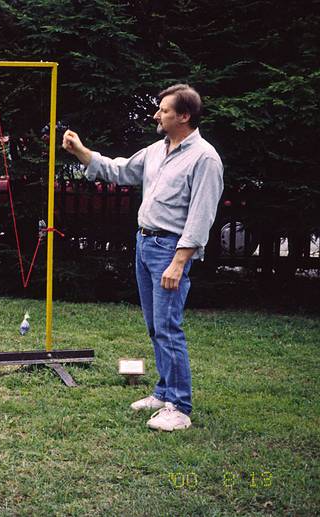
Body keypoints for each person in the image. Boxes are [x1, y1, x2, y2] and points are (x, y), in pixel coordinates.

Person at [61, 84, 223, 431]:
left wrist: (179, 261)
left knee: (168, 327)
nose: (156, 115)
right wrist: (81, 152)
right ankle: (164, 392)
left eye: (164, 110)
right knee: (155, 326)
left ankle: (179, 407)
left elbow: (201, 215)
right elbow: (120, 170)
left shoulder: (205, 158)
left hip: (170, 250)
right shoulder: (156, 151)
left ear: (184, 116)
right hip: (145, 244)